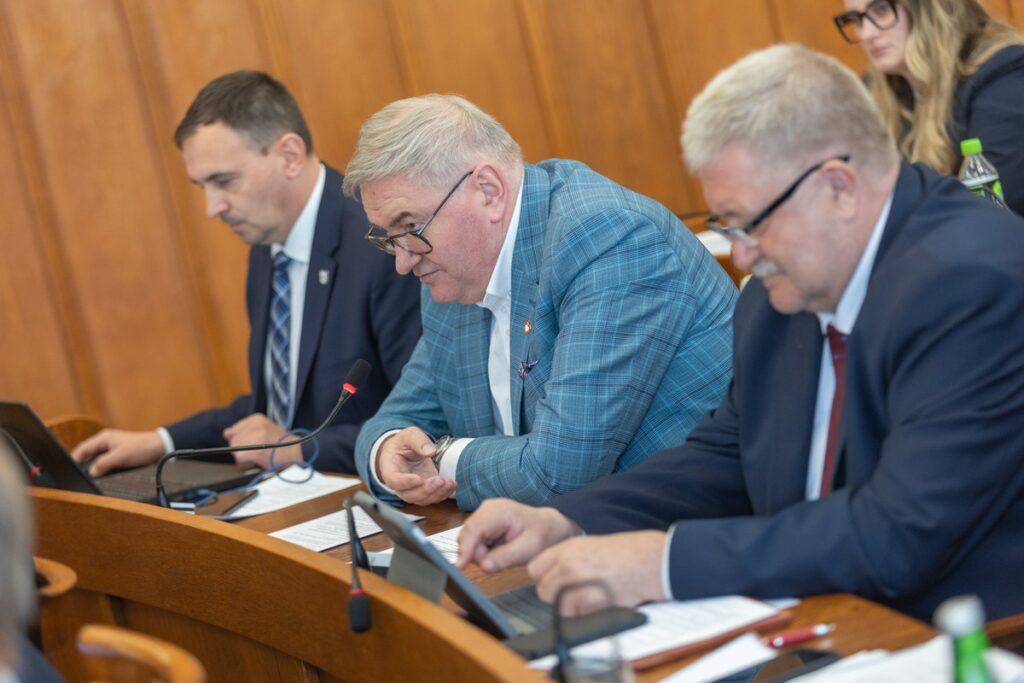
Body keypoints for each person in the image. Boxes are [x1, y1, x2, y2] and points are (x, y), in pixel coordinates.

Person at [456, 44, 1024, 622]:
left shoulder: (971, 283)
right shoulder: (777, 296)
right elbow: (727, 454)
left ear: (838, 186)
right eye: (728, 226)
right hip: (816, 611)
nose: (744, 255)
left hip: (958, 634)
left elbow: (898, 532)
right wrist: (568, 519)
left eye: (752, 224)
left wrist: (665, 563)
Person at [344, 94, 737, 511]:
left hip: (687, 533)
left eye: (410, 226)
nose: (403, 262)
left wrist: (440, 459)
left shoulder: (607, 238)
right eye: (389, 237)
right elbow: (394, 419)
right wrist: (386, 453)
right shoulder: (450, 275)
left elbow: (557, 472)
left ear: (488, 191)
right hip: (556, 537)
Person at [71, 71, 421, 475]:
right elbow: (273, 409)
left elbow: (422, 421)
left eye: (224, 181)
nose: (212, 207)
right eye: (202, 186)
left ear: (289, 155)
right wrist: (161, 441)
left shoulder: (379, 246)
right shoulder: (267, 248)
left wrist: (301, 450)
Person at [833, 0, 1024, 214]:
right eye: (855, 20)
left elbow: (987, 211)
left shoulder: (1003, 76)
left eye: (881, 9)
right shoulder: (873, 92)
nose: (866, 34)